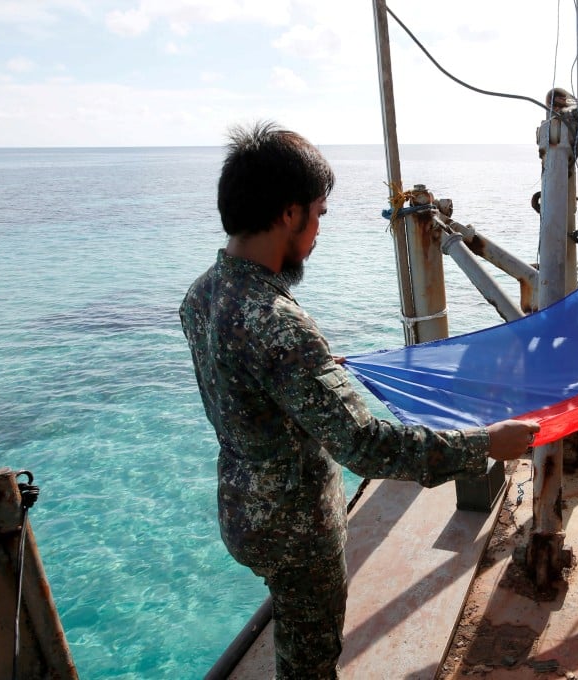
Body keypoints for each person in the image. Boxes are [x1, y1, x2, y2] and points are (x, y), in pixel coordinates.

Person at [179, 121, 540, 679]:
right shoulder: (278, 325)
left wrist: (314, 377)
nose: (319, 231)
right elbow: (367, 446)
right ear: (288, 213)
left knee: (295, 643)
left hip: (243, 509)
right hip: (297, 530)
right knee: (310, 662)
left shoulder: (202, 295)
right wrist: (485, 444)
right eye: (318, 214)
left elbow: (248, 387)